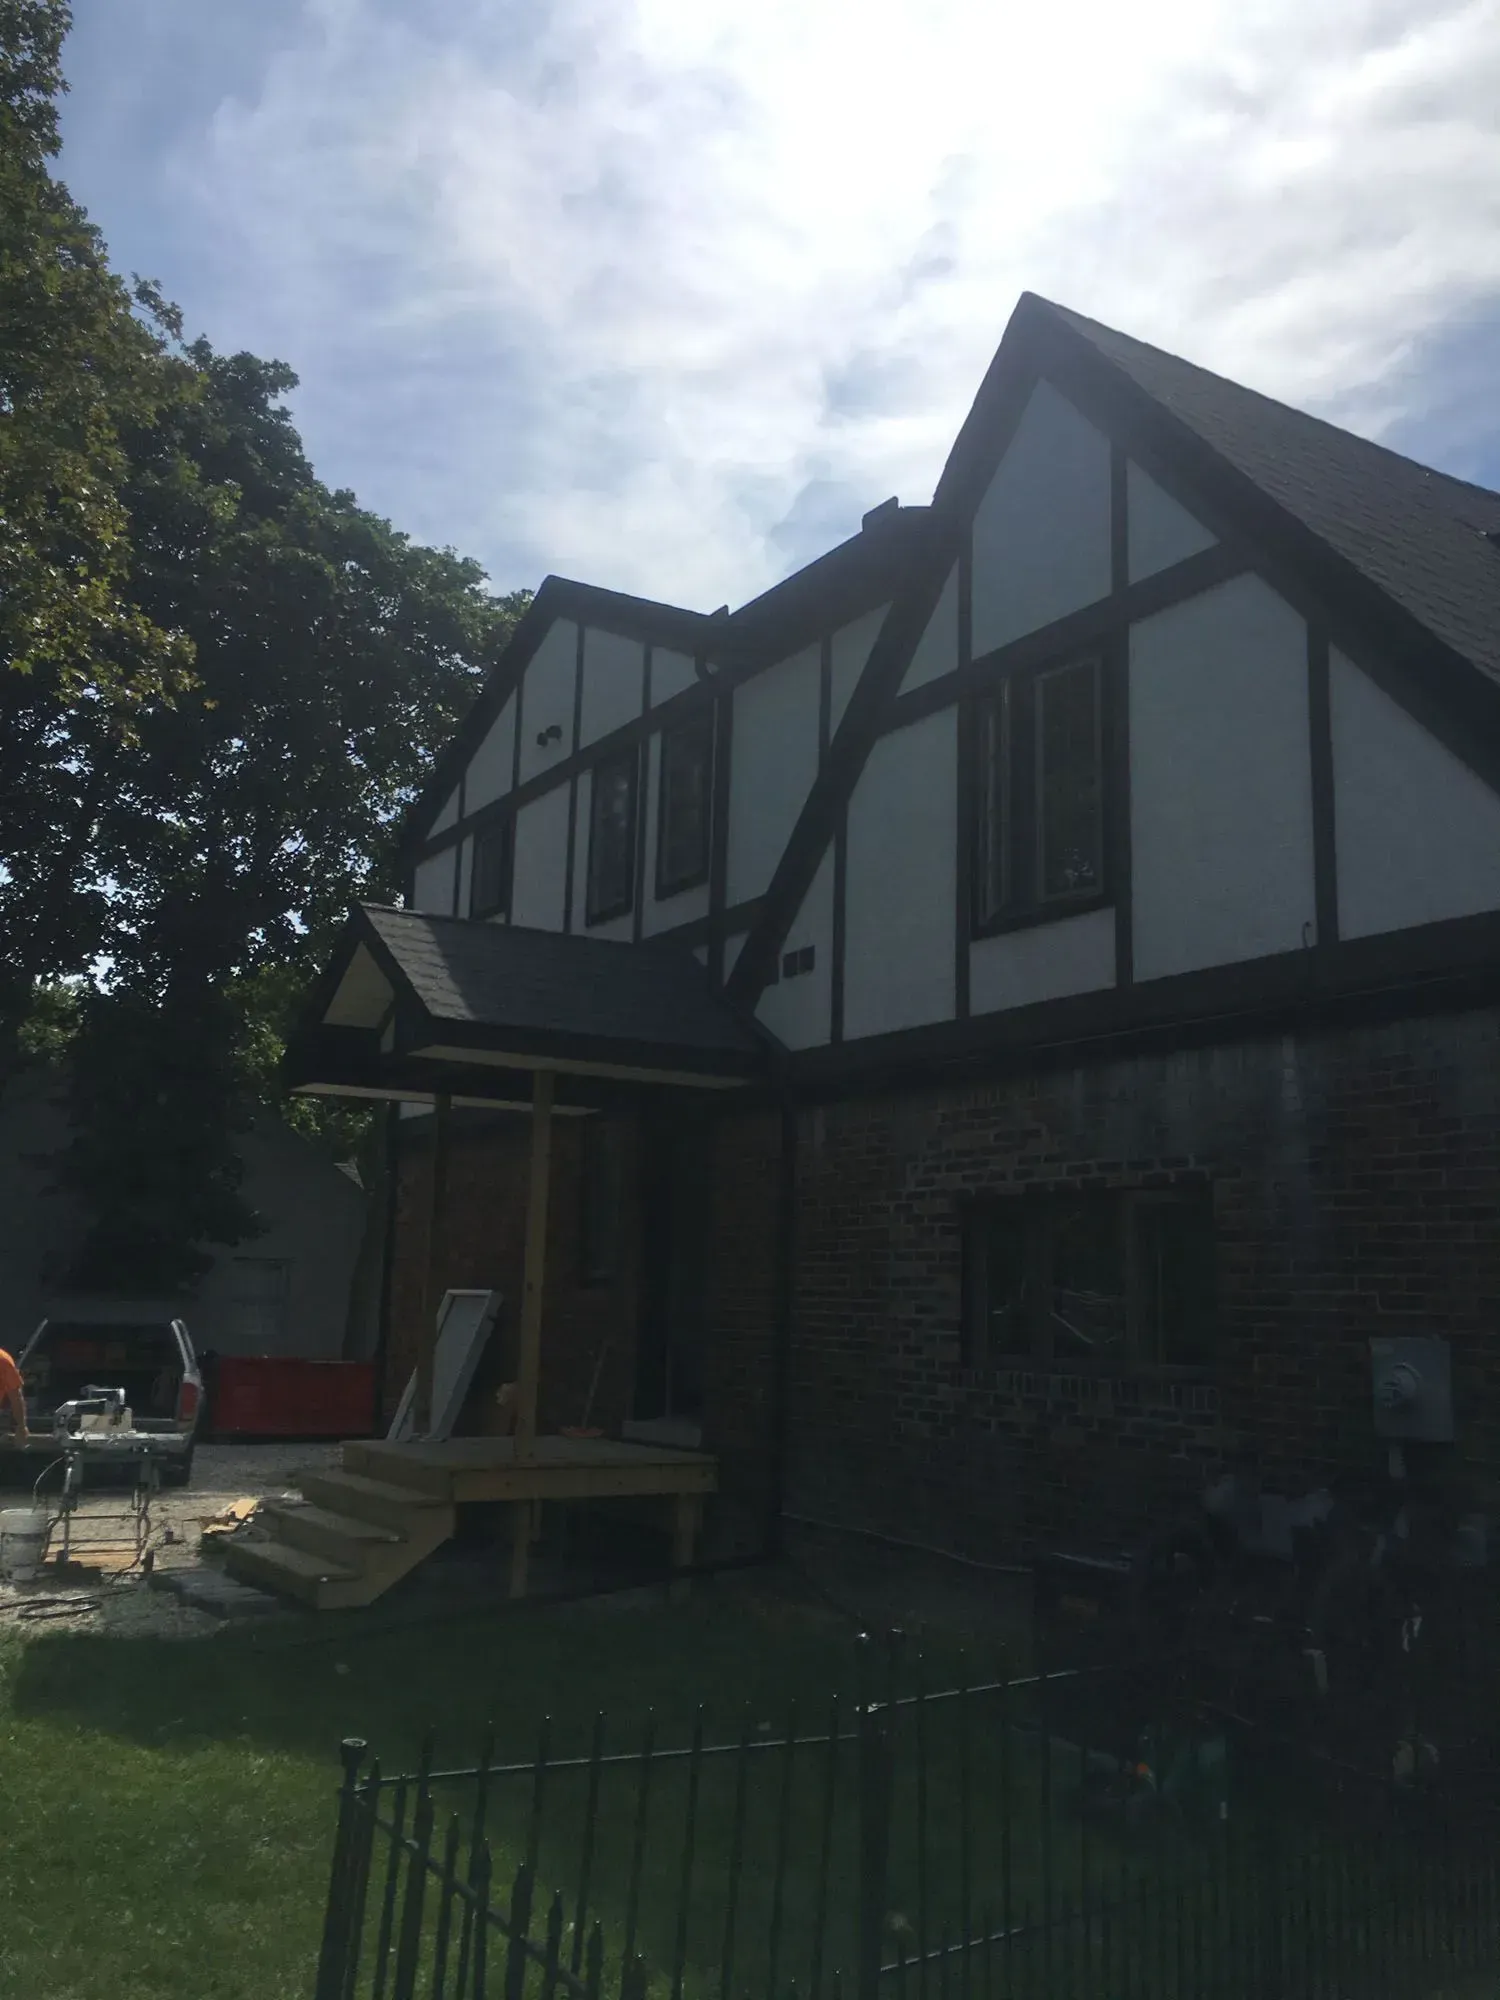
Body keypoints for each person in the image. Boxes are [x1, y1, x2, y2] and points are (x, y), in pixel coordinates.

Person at [0, 1347, 30, 1448]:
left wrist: (21, 1426)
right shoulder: (3, 1359)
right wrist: (21, 1426)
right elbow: (16, 1396)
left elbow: (15, 1396)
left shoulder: (3, 1360)